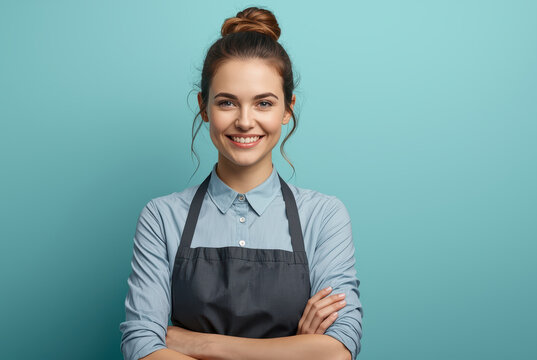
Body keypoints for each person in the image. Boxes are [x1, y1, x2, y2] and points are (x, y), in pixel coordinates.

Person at [119, 6, 362, 360]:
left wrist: (199, 344)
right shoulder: (161, 217)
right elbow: (141, 348)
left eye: (263, 103)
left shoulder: (324, 216)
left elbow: (337, 352)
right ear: (204, 107)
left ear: (287, 109)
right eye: (227, 103)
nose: (245, 121)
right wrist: (294, 349)